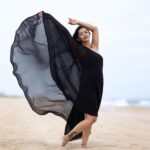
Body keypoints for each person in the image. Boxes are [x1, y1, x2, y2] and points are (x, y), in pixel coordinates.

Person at [61, 17, 103, 148]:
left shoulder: (95, 48)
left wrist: (78, 22)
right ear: (78, 38)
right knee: (92, 118)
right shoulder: (78, 50)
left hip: (98, 86)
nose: (85, 34)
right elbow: (62, 35)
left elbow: (95, 28)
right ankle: (68, 136)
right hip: (87, 86)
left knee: (87, 118)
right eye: (81, 33)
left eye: (86, 32)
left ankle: (84, 145)